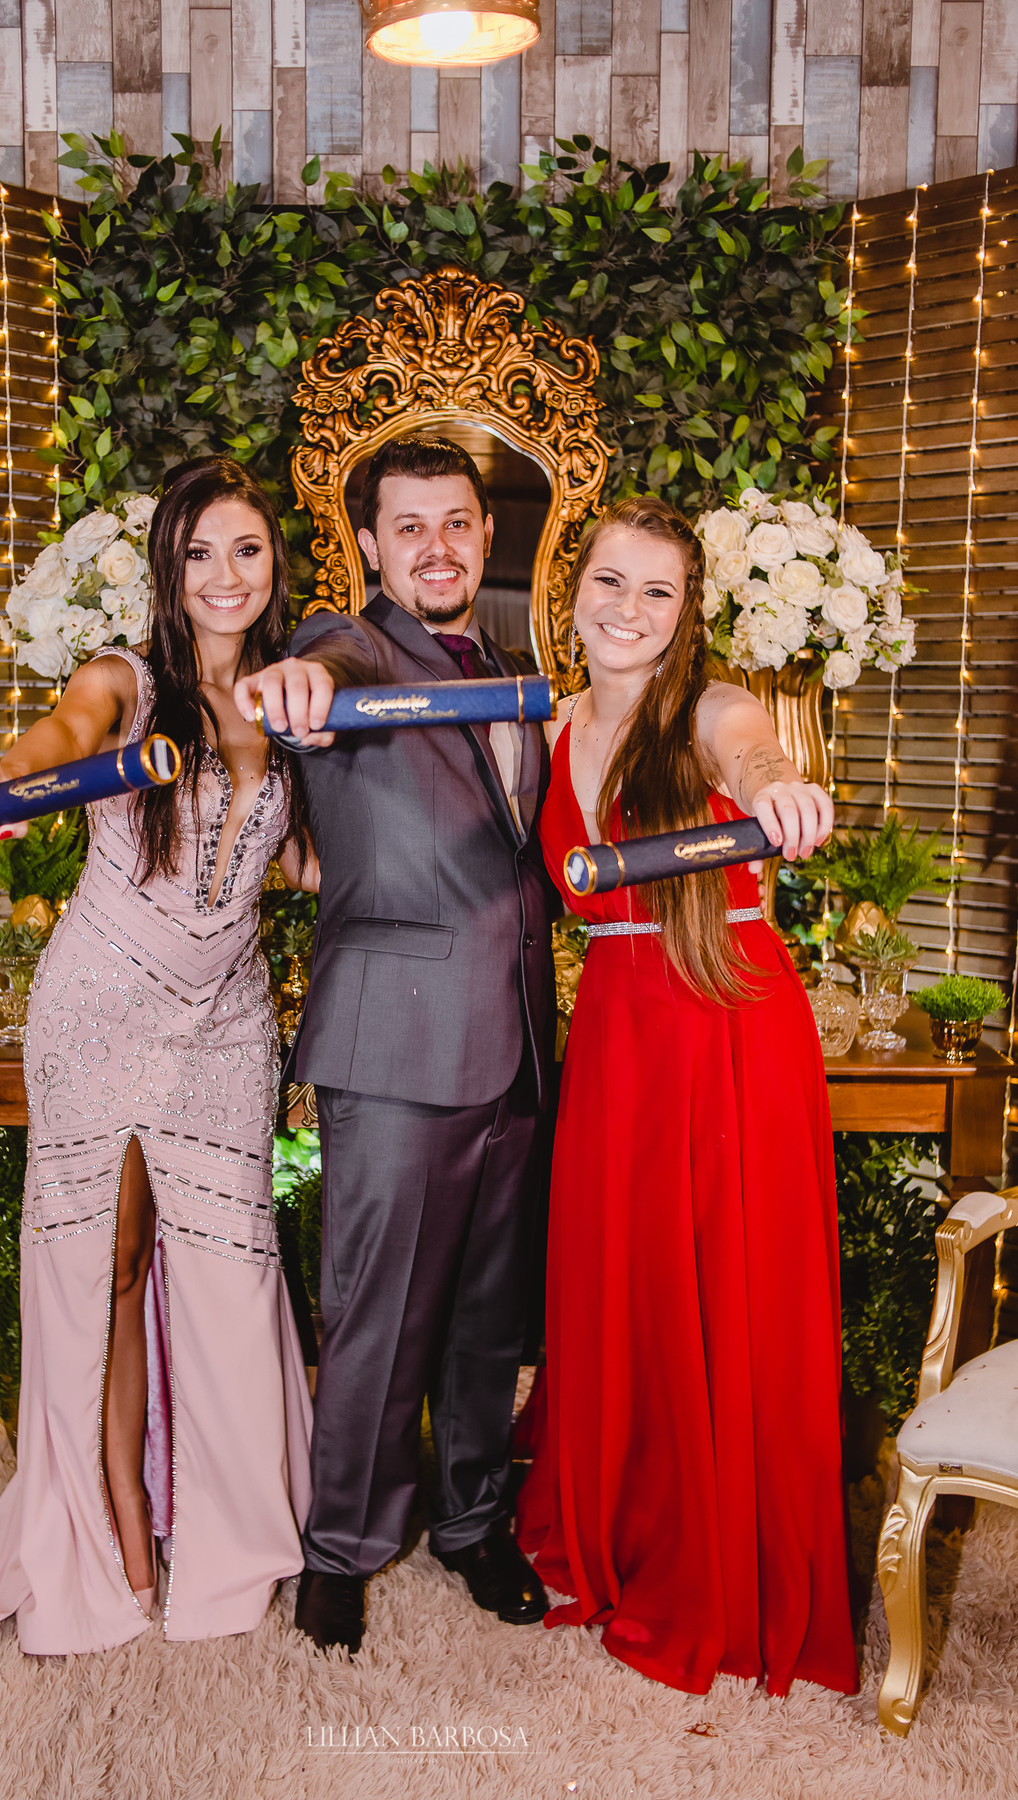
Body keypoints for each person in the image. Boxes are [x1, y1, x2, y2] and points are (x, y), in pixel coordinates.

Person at [0, 457, 315, 1659]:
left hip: (228, 1023)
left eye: (246, 550)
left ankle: (232, 1537)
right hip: (105, 1005)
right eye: (199, 552)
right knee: (109, 1269)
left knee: (230, 1273)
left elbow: (298, 860)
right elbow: (56, 739)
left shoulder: (290, 700)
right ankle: (115, 1509)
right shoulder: (122, 681)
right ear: (168, 569)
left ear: (274, 565)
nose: (224, 575)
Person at [514, 494, 859, 1698]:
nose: (628, 609)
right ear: (574, 591)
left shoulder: (711, 709)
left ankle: (719, 1561)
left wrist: (781, 787)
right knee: (624, 1279)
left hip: (727, 1024)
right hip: (617, 1033)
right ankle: (620, 1518)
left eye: (656, 591)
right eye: (611, 582)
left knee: (728, 1284)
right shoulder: (548, 726)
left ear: (686, 611)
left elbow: (755, 755)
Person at [233, 434, 558, 1656]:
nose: (436, 546)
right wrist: (298, 683)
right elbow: (316, 671)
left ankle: (472, 1522)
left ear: (486, 533)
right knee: (376, 1314)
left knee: (487, 1313)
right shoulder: (350, 645)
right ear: (369, 545)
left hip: (518, 1044)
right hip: (394, 1046)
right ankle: (343, 1546)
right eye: (408, 526)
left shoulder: (515, 667)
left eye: (456, 522)